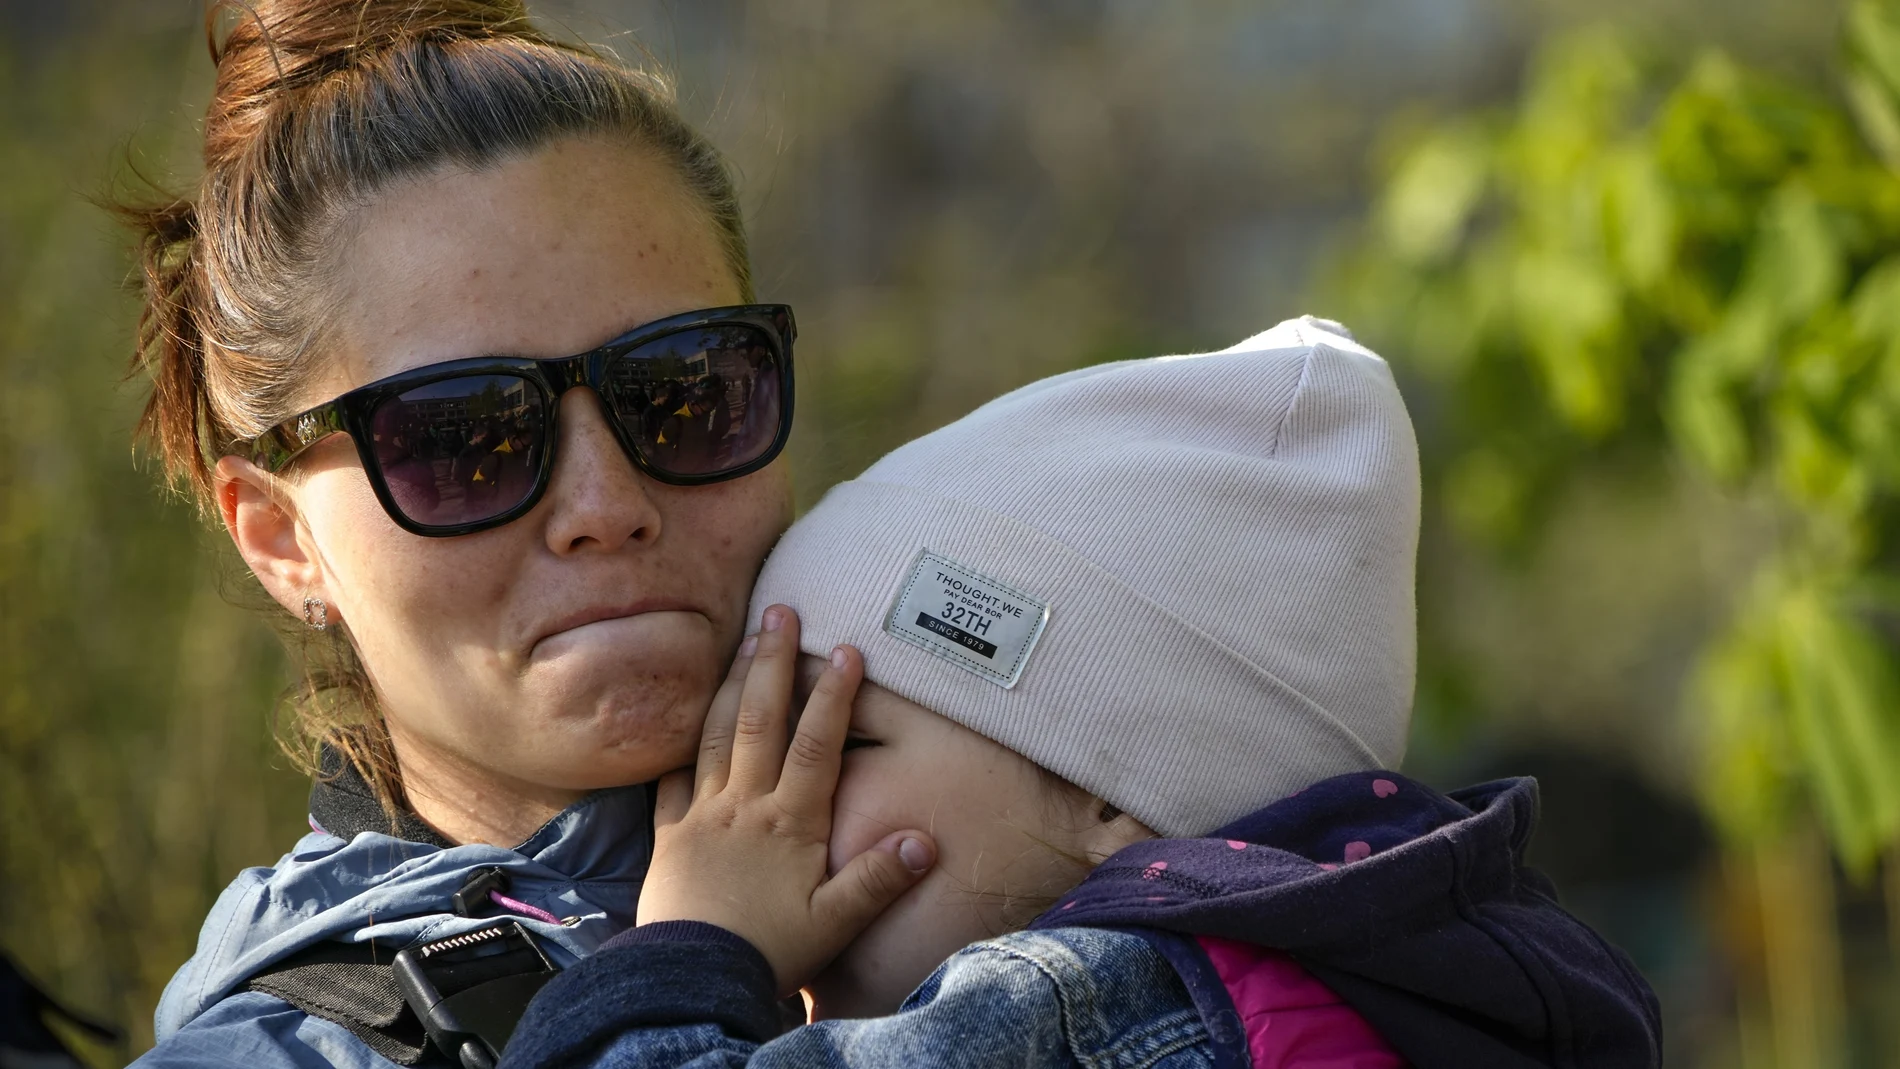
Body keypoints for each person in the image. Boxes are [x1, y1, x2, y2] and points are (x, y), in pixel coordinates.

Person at [115, 2, 935, 1065]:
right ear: (279, 537)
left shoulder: (1042, 784)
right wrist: (696, 962)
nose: (607, 505)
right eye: (461, 439)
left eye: (682, 391)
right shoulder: (274, 1050)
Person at [502, 318, 1665, 1068]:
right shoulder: (1363, 987)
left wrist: (693, 946)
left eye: (841, 742)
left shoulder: (1090, 1002)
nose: (759, 814)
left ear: (1120, 802)